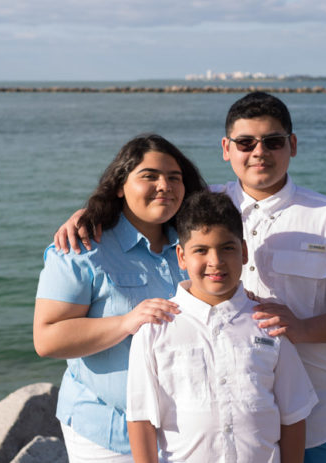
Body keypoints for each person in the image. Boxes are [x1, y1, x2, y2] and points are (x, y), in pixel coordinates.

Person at [55, 92, 326, 463]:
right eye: (246, 142)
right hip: (243, 423)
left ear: (292, 145)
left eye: (273, 141)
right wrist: (91, 212)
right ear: (226, 148)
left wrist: (301, 329)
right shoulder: (202, 204)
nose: (259, 152)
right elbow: (145, 201)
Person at [34, 134, 207, 462]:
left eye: (174, 178)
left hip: (186, 433)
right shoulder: (81, 248)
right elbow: (47, 339)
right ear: (118, 185)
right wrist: (128, 322)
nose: (165, 185)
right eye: (149, 176)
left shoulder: (195, 246)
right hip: (109, 434)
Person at [126, 191, 317, 463]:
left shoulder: (268, 324)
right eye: (201, 250)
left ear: (244, 252)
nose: (215, 261)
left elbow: (294, 416)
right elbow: (141, 420)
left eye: (227, 248)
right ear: (181, 256)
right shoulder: (156, 330)